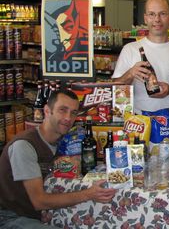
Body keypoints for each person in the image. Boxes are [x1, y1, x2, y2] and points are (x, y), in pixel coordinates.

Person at [0, 90, 116, 229]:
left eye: (73, 113)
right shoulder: (24, 145)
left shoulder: (66, 142)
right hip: (13, 217)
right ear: (47, 111)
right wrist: (89, 194)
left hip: (44, 214)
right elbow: (39, 201)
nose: (68, 118)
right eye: (62, 110)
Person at [112, 0, 169, 155]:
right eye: (152, 14)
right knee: (141, 174)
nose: (157, 19)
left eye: (162, 13)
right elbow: (114, 89)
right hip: (138, 126)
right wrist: (130, 74)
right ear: (145, 18)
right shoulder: (130, 49)